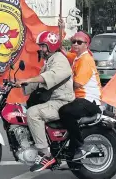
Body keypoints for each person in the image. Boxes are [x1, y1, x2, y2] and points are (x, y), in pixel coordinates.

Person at [17, 31, 74, 172]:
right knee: (25, 109)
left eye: (43, 46)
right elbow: (40, 81)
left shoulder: (59, 59)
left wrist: (28, 80)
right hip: (54, 100)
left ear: (51, 46)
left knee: (32, 113)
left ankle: (45, 154)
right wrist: (17, 83)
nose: (41, 49)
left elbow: (49, 76)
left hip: (61, 102)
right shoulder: (51, 60)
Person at [59, 31, 102, 161]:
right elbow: (61, 50)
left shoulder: (85, 59)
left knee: (65, 111)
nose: (75, 44)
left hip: (89, 100)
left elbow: (77, 84)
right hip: (79, 98)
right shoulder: (77, 57)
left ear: (86, 45)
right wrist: (61, 28)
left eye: (79, 42)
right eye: (73, 41)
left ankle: (78, 145)